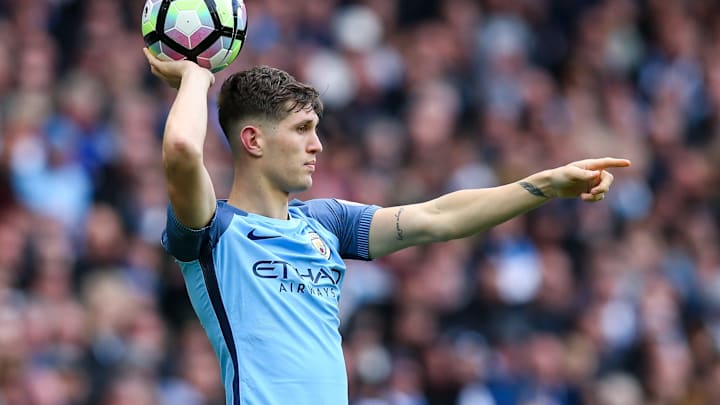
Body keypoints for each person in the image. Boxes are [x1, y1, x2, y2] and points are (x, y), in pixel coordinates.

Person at [143, 48, 630, 405]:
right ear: (252, 139)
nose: (318, 146)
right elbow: (184, 151)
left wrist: (546, 183)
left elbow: (439, 217)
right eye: (301, 130)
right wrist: (196, 75)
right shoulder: (213, 230)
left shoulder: (326, 222)